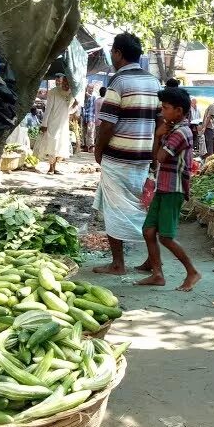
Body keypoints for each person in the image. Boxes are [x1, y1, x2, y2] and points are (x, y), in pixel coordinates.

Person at [93, 32, 162, 275]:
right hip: (142, 158)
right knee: (139, 208)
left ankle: (118, 264)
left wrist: (98, 151)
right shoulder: (154, 82)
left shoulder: (118, 82)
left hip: (118, 157)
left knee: (115, 210)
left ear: (119, 53)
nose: (111, 54)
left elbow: (108, 123)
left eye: (112, 50)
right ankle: (152, 261)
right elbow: (160, 124)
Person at [134, 86, 202, 292]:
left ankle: (192, 272)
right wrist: (158, 136)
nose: (162, 112)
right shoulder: (171, 130)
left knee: (165, 236)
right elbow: (156, 157)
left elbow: (161, 157)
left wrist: (158, 134)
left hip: (174, 189)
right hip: (163, 186)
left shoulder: (181, 131)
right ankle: (157, 274)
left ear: (179, 111)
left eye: (165, 108)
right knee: (148, 231)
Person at [39, 74, 75, 174]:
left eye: (68, 84)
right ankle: (51, 168)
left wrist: (75, 105)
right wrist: (44, 124)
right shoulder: (53, 92)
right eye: (64, 83)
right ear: (62, 82)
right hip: (52, 123)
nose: (66, 85)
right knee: (52, 145)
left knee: (60, 145)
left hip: (63, 124)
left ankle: (55, 167)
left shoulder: (71, 94)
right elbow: (48, 109)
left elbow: (69, 111)